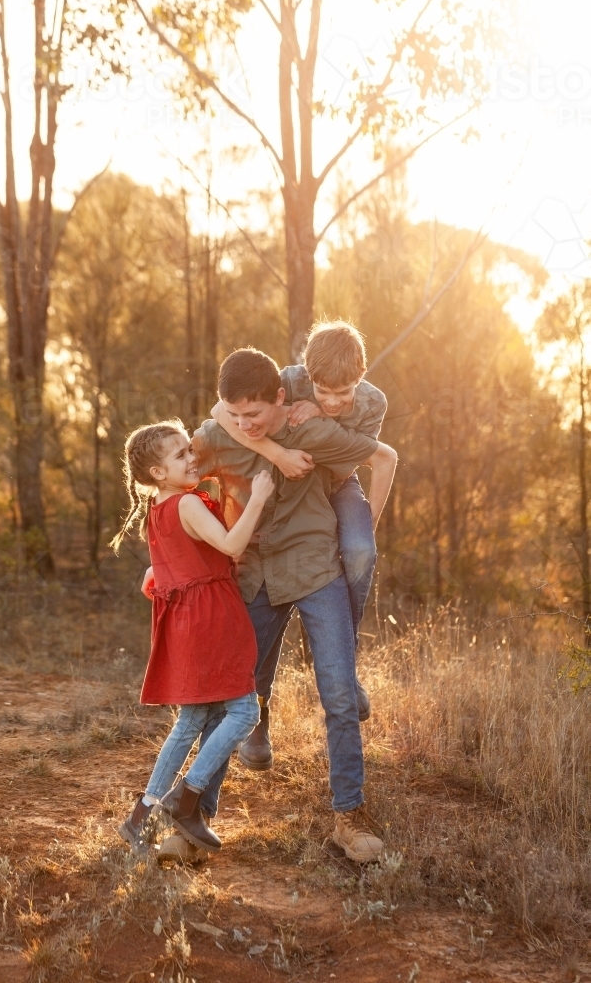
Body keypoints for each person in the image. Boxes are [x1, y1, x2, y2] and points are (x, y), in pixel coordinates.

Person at [183, 348, 397, 865]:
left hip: (316, 569)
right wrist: (168, 559)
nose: (244, 425)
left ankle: (349, 815)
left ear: (282, 397)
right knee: (234, 693)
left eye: (253, 415)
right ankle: (196, 819)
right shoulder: (221, 436)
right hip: (255, 576)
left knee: (340, 694)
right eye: (234, 415)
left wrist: (366, 527)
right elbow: (175, 483)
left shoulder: (314, 432)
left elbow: (381, 456)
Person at [212, 321, 391, 731]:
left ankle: (339, 653)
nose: (330, 400)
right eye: (321, 391)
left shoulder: (373, 403)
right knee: (268, 584)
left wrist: (366, 523)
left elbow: (351, 460)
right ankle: (257, 714)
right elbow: (222, 411)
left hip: (337, 482)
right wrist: (277, 453)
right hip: (289, 484)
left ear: (360, 378)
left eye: (341, 394)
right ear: (307, 375)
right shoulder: (290, 380)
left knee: (361, 549)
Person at [111, 419, 274, 858]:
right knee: (242, 712)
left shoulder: (159, 508)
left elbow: (174, 562)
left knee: (191, 721)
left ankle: (141, 815)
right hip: (212, 617)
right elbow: (230, 545)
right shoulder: (185, 504)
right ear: (158, 473)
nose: (191, 458)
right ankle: (188, 798)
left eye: (190, 450)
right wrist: (257, 497)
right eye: (180, 454)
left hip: (185, 620)